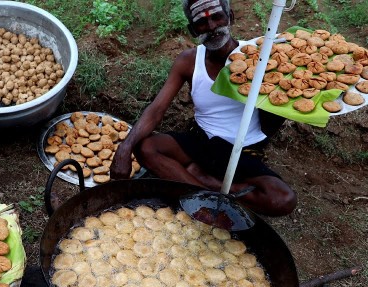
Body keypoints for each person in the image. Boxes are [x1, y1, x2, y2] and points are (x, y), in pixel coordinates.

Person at [110, 0, 296, 216]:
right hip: (201, 142)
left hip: (242, 152)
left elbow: (281, 107)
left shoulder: (258, 58)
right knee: (146, 148)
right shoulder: (188, 61)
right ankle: (211, 196)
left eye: (217, 17)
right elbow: (157, 109)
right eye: (201, 22)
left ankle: (205, 185)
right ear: (192, 30)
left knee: (283, 200)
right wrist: (125, 148)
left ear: (231, 18)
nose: (211, 27)